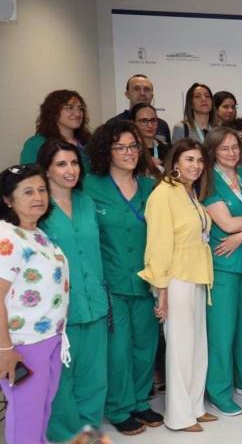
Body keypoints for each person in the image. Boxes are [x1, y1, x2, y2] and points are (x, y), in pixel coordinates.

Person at [83, 120, 163, 435]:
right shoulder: (90, 186)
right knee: (118, 350)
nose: (128, 152)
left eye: (133, 146)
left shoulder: (149, 186)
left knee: (145, 346)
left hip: (146, 281)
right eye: (120, 147)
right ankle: (119, 407)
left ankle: (141, 402)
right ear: (106, 151)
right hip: (111, 284)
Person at [138, 139, 217, 432]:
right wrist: (161, 291)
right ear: (175, 163)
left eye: (199, 160)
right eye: (189, 160)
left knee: (197, 346)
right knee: (180, 349)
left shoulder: (190, 193)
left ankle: (196, 407)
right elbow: (158, 245)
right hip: (176, 280)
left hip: (197, 277)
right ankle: (179, 415)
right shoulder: (163, 194)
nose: (195, 165)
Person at [37, 140, 108, 442]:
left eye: (74, 163)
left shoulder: (87, 202)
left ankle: (88, 431)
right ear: (47, 170)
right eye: (61, 164)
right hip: (58, 309)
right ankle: (65, 436)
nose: (70, 170)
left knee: (94, 376)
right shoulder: (39, 209)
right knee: (61, 381)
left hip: (94, 300)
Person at [0, 164, 70, 444]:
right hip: (22, 343)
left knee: (42, 410)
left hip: (50, 337)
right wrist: (5, 349)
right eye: (27, 192)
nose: (38, 197)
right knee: (26, 416)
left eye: (42, 189)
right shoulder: (7, 237)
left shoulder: (37, 233)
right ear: (7, 199)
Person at [202, 127, 242, 416]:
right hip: (223, 265)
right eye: (224, 148)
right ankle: (218, 390)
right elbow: (225, 224)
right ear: (213, 151)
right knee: (222, 331)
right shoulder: (208, 180)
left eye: (235, 147)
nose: (231, 152)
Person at [21, 89, 92, 171]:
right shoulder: (35, 144)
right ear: (53, 112)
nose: (78, 113)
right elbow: (29, 179)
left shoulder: (88, 142)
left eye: (80, 108)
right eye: (70, 107)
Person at [107, 74, 171, 142]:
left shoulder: (162, 125)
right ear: (127, 94)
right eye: (136, 89)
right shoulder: (113, 125)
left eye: (147, 89)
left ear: (152, 96)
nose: (142, 93)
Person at [131, 102, 168, 173]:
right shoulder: (130, 150)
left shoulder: (167, 149)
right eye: (144, 121)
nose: (150, 125)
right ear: (134, 123)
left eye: (153, 120)